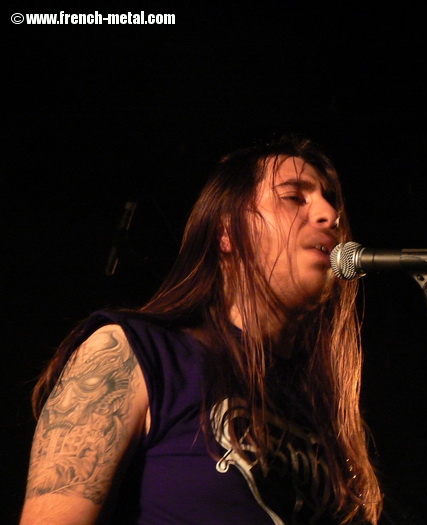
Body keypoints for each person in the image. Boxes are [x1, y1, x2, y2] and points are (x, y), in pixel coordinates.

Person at [20, 133, 383, 524]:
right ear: (227, 231)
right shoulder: (134, 352)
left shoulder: (324, 415)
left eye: (331, 201)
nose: (329, 214)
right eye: (294, 197)